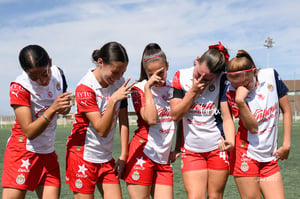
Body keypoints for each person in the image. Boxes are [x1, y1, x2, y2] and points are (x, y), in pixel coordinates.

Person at [1, 44, 72, 199]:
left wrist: (64, 108)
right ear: (26, 73)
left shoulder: (59, 74)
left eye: (44, 74)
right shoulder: (20, 87)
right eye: (34, 77)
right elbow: (29, 132)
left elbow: (63, 109)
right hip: (23, 151)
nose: (42, 80)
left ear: (50, 63)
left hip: (47, 152)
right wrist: (53, 108)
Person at [66, 41, 134, 199]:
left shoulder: (118, 83)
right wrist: (112, 101)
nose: (118, 77)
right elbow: (102, 130)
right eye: (115, 72)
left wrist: (124, 155)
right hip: (82, 156)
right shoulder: (85, 88)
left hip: (105, 157)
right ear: (101, 63)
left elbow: (123, 121)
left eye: (122, 72)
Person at [169, 42, 235, 199]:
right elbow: (175, 115)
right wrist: (192, 91)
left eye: (207, 78)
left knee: (215, 196)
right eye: (199, 73)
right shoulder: (181, 76)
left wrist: (230, 141)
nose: (201, 79)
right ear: (197, 61)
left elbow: (227, 117)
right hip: (191, 150)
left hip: (217, 147)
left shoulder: (223, 80)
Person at [226, 50, 292, 199]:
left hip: (269, 157)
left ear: (254, 72)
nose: (241, 88)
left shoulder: (271, 76)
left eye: (245, 83)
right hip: (246, 154)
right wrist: (240, 102)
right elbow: (253, 128)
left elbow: (286, 110)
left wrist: (286, 144)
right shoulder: (232, 92)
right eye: (236, 85)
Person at [123, 43, 181, 199]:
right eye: (151, 74)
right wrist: (148, 87)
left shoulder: (175, 88)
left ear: (167, 66)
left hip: (163, 159)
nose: (157, 78)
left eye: (161, 73)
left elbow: (181, 119)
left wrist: (177, 148)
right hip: (143, 154)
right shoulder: (139, 89)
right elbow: (151, 119)